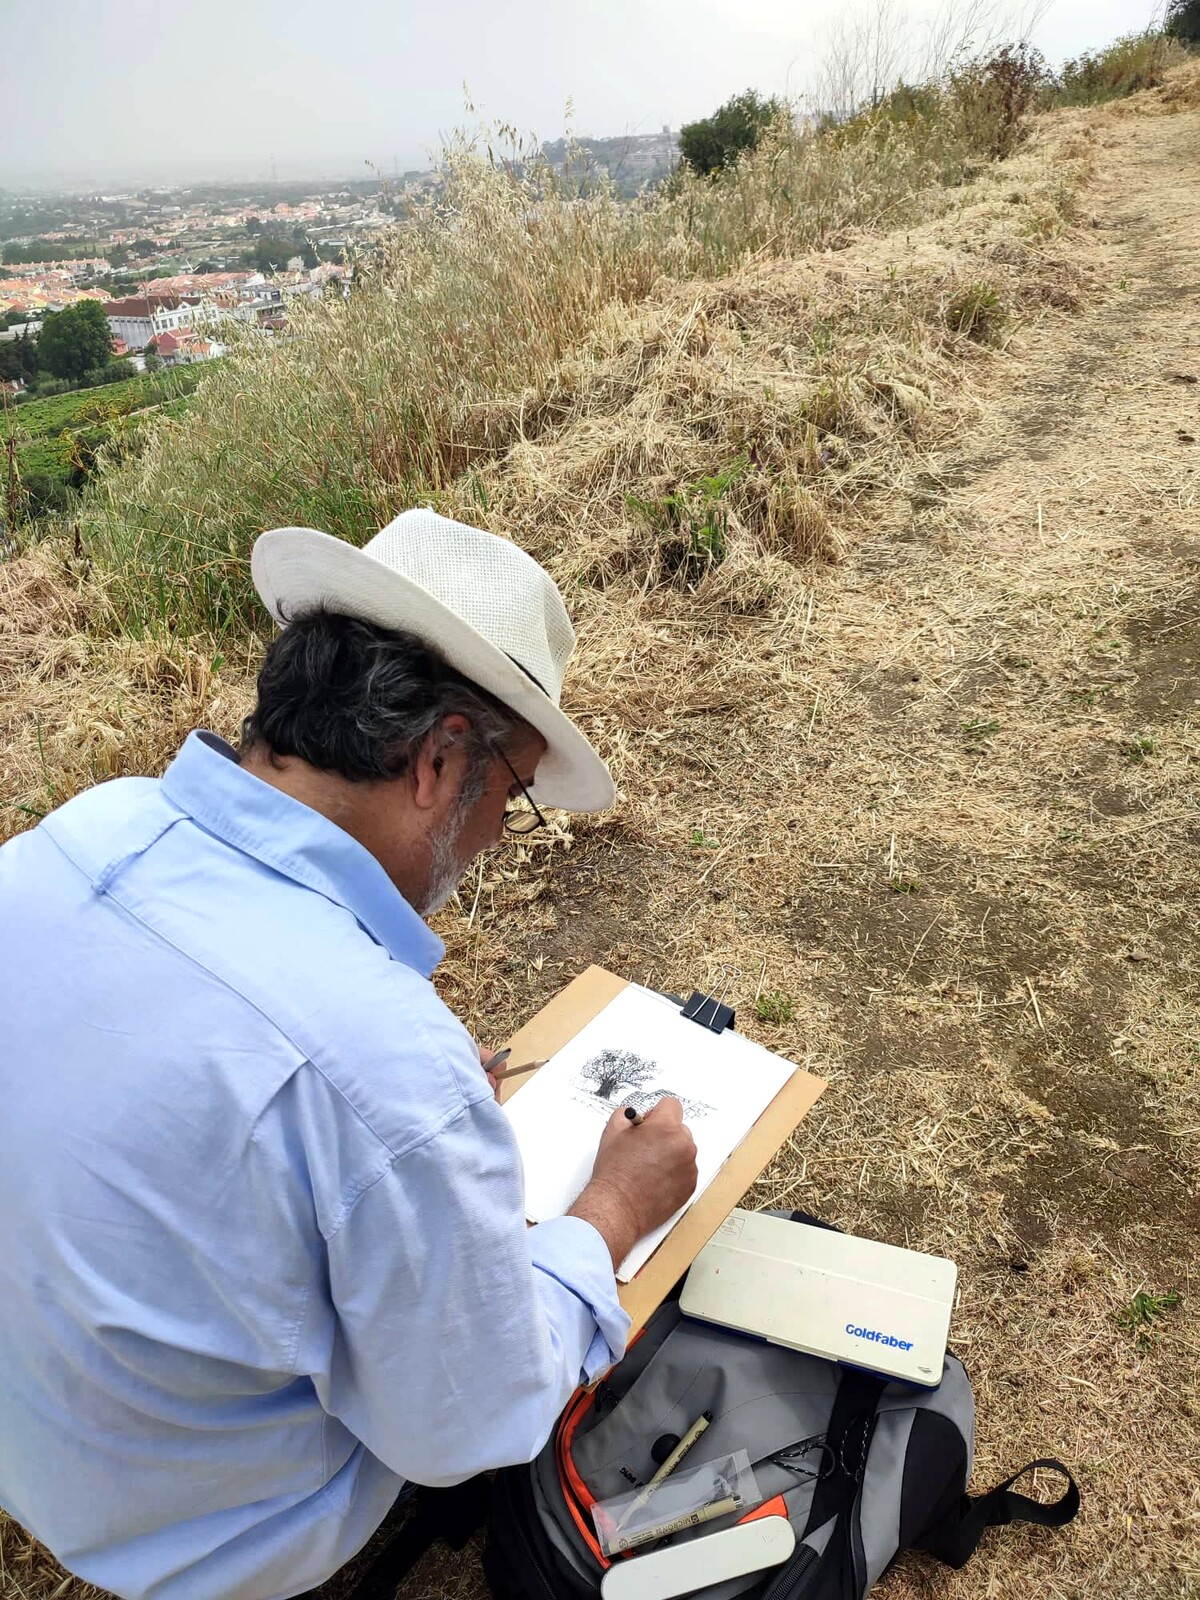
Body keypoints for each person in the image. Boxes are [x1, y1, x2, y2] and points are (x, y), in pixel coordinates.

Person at [0, 508, 699, 1600]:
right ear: (436, 760)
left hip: (46, 1446)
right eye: (511, 793)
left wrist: (393, 1122)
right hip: (223, 1537)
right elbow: (472, 1421)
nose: (501, 835)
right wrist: (612, 1208)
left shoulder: (79, 832)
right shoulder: (377, 1057)